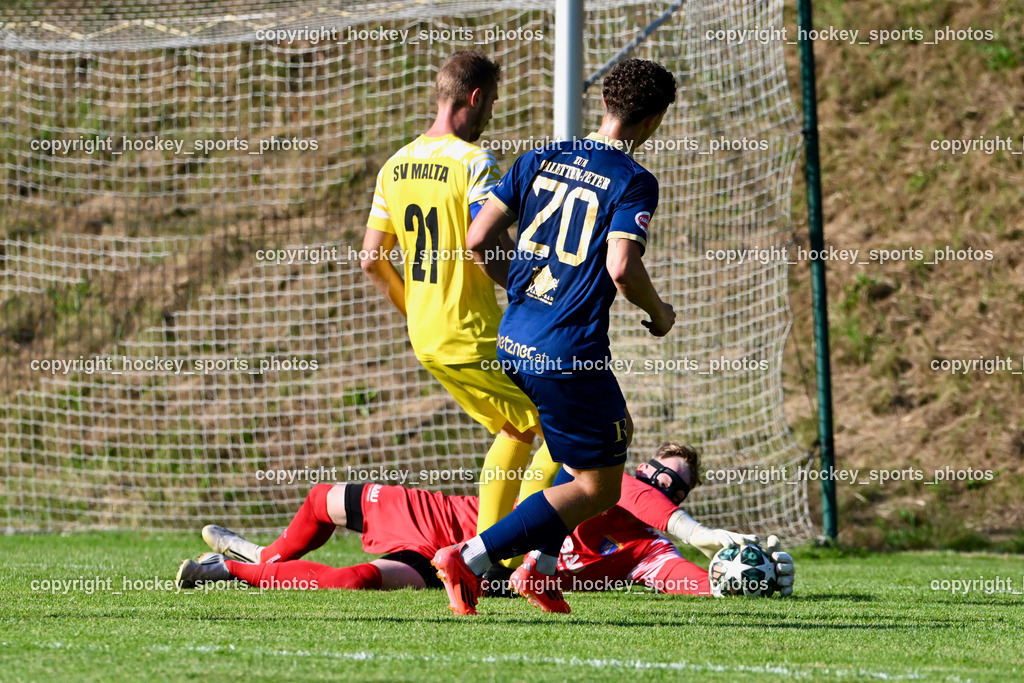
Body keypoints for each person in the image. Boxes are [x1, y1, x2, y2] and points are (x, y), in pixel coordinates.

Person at [431, 58, 678, 614]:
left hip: (515, 338)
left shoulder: (539, 157)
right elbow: (621, 267)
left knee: (593, 447)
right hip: (569, 352)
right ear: (654, 119)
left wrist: (521, 286)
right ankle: (470, 558)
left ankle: (540, 570)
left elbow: (478, 238)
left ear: (607, 103)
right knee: (600, 486)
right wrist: (659, 312)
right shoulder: (633, 180)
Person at [359, 50, 560, 557]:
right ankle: (504, 553)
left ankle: (492, 557)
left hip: (428, 336)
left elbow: (370, 259)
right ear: (475, 97)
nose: (491, 113)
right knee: (566, 422)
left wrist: (416, 310)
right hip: (472, 332)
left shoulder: (395, 165)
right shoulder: (474, 161)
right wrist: (530, 294)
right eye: (491, 102)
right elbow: (482, 242)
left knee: (517, 426)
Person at [176, 443, 795, 599]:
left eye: (675, 483)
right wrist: (700, 530)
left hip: (464, 563)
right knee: (323, 500)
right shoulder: (608, 480)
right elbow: (650, 503)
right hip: (447, 516)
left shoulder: (644, 554)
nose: (661, 482)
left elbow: (688, 576)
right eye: (658, 470)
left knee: (356, 583)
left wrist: (740, 575)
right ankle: (271, 555)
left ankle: (235, 570)